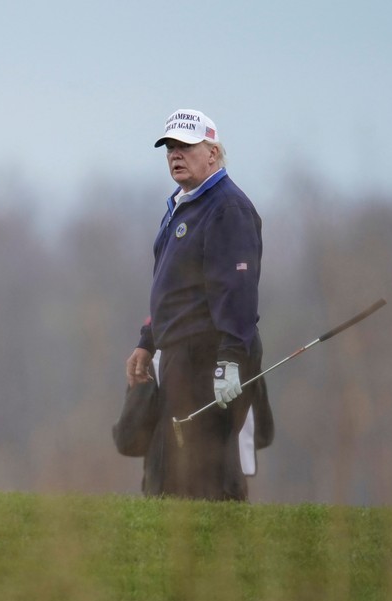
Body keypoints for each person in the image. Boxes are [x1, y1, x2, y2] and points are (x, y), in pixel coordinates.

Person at [124, 108, 272, 501]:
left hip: (211, 356)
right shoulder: (183, 204)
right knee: (171, 468)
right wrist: (147, 340)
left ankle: (220, 557)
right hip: (180, 354)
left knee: (206, 471)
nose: (176, 154)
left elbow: (237, 292)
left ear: (213, 152)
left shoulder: (227, 208)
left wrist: (230, 361)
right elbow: (174, 288)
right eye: (171, 147)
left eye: (186, 146)